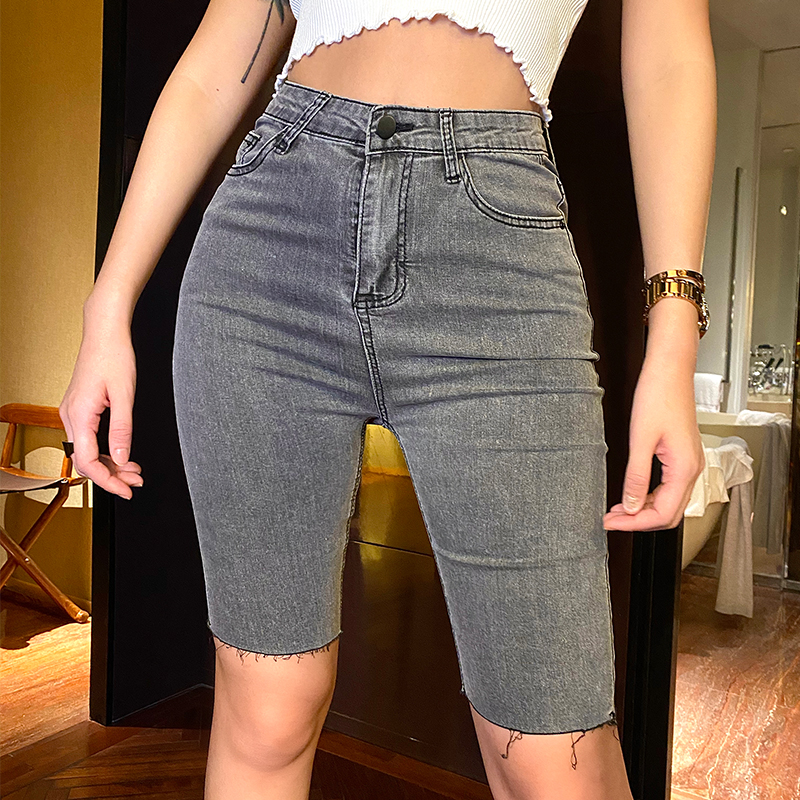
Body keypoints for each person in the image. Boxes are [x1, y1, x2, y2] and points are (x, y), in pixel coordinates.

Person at [59, 0, 714, 797]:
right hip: (272, 231)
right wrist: (107, 306)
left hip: (498, 245)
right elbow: (212, 66)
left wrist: (673, 336)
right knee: (266, 711)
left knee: (553, 757)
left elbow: (671, 60)